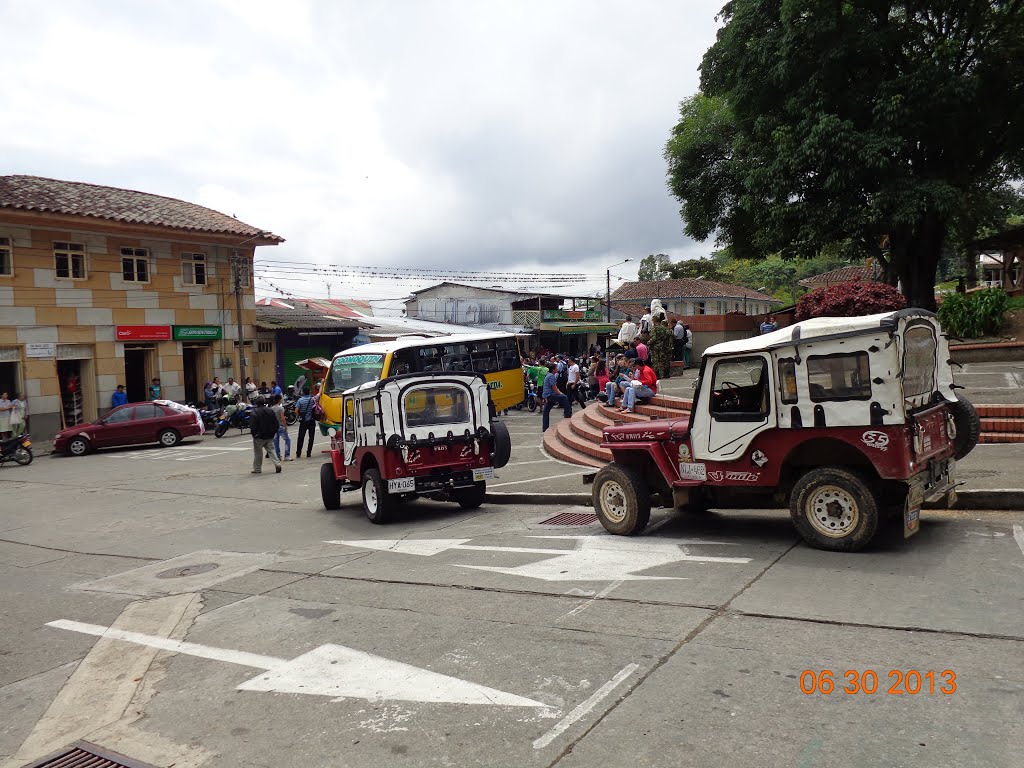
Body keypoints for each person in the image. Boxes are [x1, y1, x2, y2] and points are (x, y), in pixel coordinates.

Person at [250, 397, 282, 474]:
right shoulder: (270, 410)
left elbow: (253, 425)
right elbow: (276, 423)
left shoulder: (255, 412)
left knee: (258, 453)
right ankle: (277, 464)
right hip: (270, 435)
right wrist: (273, 432)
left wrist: (254, 434)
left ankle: (257, 469)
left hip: (259, 436)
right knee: (272, 450)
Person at [541, 363, 572, 432]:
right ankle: (567, 415)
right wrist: (562, 394)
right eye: (556, 368)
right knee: (565, 398)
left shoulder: (548, 375)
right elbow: (555, 388)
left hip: (547, 395)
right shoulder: (551, 376)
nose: (557, 369)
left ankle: (545, 427)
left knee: (546, 412)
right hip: (550, 395)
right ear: (553, 369)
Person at [295, 386, 317, 458]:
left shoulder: (300, 400)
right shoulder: (313, 399)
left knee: (301, 437)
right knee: (311, 437)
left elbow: (296, 411)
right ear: (309, 392)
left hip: (303, 421)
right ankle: (308, 453)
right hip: (311, 421)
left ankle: (298, 453)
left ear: (303, 392)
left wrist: (299, 417)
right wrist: (322, 384)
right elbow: (319, 394)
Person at [272, 393, 292, 461]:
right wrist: (286, 426)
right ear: (279, 400)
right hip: (280, 426)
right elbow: (283, 418)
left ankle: (278, 456)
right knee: (287, 440)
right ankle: (287, 455)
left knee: (276, 442)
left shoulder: (272, 408)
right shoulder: (280, 408)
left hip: (274, 427)